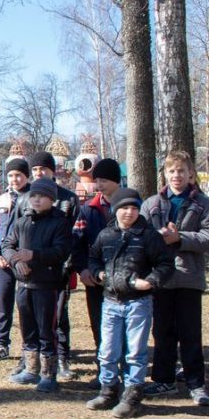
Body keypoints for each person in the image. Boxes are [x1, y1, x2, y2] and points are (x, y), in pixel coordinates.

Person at [86, 188, 174, 418]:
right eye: (124, 208)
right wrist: (98, 273)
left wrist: (151, 282)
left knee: (135, 352)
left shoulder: (148, 235)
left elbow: (165, 263)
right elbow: (93, 257)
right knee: (107, 350)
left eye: (134, 208)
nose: (129, 212)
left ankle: (132, 396)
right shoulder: (106, 235)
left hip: (138, 302)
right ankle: (108, 390)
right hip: (110, 301)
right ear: (116, 210)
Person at [140, 151, 209, 406]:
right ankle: (164, 379)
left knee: (190, 333)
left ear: (190, 174)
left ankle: (196, 383)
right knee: (162, 332)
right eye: (172, 171)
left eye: (181, 171)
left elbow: (207, 237)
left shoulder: (202, 203)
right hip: (161, 278)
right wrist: (158, 238)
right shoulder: (152, 204)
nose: (176, 176)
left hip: (189, 277)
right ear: (165, 175)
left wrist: (180, 238)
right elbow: (141, 237)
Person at [2, 177, 71, 392]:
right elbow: (7, 244)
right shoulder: (22, 221)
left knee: (46, 330)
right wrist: (16, 261)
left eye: (42, 196)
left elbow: (61, 252)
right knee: (27, 328)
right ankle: (31, 369)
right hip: (24, 285)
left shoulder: (60, 222)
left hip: (47, 286)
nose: (37, 200)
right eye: (33, 196)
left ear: (52, 199)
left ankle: (49, 374)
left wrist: (34, 256)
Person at [17, 151, 79, 380]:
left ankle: (58, 362)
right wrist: (16, 262)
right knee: (29, 323)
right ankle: (30, 365)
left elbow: (69, 242)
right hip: (26, 279)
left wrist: (66, 269)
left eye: (43, 169)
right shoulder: (24, 204)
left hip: (54, 274)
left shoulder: (66, 202)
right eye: (34, 170)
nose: (39, 173)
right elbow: (11, 240)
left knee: (55, 320)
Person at [71, 158, 122, 389]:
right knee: (99, 324)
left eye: (104, 180)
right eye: (97, 180)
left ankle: (127, 372)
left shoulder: (131, 205)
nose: (99, 185)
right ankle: (104, 371)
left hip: (124, 279)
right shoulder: (88, 210)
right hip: (95, 278)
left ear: (116, 180)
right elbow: (78, 243)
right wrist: (82, 269)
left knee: (125, 327)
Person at [0, 156, 31, 362]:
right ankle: (2, 343)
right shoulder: (1, 201)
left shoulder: (34, 199)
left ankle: (29, 347)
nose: (14, 179)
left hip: (24, 262)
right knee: (4, 304)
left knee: (26, 305)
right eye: (11, 175)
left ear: (26, 176)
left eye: (18, 175)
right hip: (3, 263)